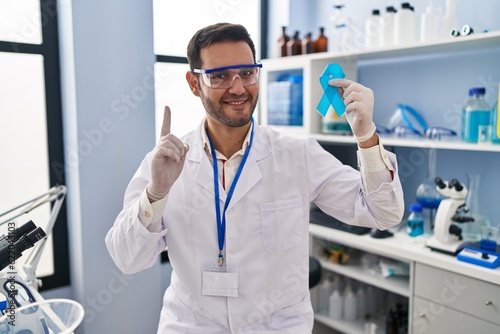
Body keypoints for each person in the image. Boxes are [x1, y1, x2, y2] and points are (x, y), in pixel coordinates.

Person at [105, 22, 404, 333]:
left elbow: (384, 212)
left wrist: (367, 137)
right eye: (219, 76)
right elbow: (127, 259)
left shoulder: (297, 154)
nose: (237, 88)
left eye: (247, 73)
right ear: (194, 84)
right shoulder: (165, 164)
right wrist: (156, 193)